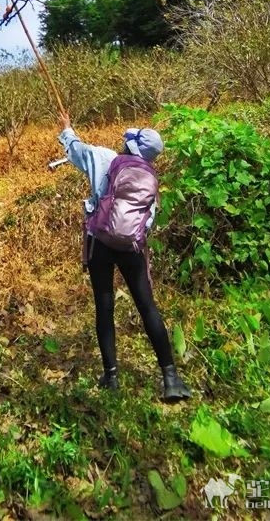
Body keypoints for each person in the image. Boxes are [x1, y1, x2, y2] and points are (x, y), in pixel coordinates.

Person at [58, 113, 191, 402]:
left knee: (104, 308)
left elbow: (76, 149)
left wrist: (67, 129)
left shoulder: (105, 158)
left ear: (129, 145)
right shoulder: (151, 177)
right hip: (132, 249)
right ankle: (170, 378)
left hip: (100, 244)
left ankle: (111, 376)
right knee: (147, 307)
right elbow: (148, 221)